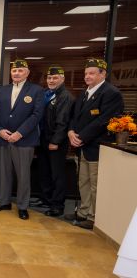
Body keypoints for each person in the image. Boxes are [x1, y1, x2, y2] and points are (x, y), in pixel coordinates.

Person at [66, 58, 124, 229]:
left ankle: (93, 217)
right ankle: (83, 212)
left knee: (95, 184)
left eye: (91, 73)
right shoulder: (85, 92)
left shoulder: (111, 93)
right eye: (86, 73)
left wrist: (80, 136)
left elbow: (104, 121)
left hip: (97, 147)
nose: (87, 76)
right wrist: (70, 132)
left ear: (103, 74)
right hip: (81, 147)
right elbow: (74, 116)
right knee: (83, 182)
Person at [0, 59, 44, 220]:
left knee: (23, 174)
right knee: (4, 172)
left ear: (27, 73)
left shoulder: (36, 90)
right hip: (2, 139)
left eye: (20, 70)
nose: (17, 73)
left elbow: (36, 115)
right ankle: (4, 201)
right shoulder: (1, 90)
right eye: (14, 70)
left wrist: (19, 133)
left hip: (24, 140)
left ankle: (22, 205)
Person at [31, 65, 74, 217]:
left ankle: (57, 204)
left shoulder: (65, 97)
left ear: (62, 79)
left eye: (55, 78)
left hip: (56, 141)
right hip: (43, 139)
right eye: (49, 78)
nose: (51, 80)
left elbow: (63, 122)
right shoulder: (45, 94)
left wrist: (55, 141)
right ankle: (46, 198)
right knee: (44, 171)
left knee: (57, 174)